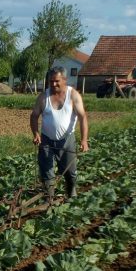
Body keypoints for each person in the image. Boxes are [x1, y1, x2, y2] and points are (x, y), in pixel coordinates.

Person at [30, 66, 89, 199]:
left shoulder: (73, 95)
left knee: (70, 171)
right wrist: (36, 133)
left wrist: (84, 140)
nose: (53, 84)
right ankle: (49, 198)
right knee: (46, 171)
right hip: (46, 140)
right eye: (51, 81)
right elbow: (34, 116)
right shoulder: (43, 97)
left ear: (64, 79)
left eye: (56, 81)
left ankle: (71, 195)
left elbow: (82, 117)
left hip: (67, 140)